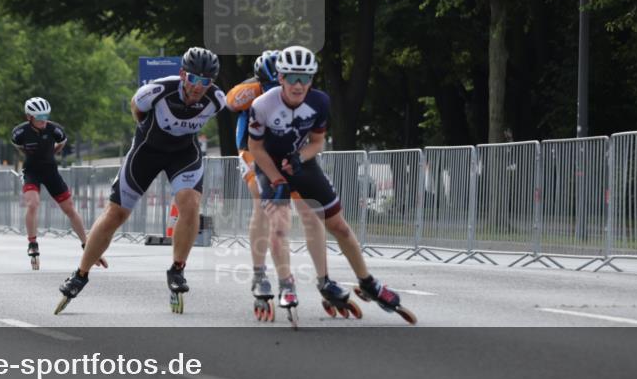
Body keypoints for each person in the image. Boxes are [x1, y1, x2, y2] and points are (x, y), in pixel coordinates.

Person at [247, 45, 417, 327]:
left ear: (312, 80)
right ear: (280, 78)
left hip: (301, 163)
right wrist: (276, 177)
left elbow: (317, 142)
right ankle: (286, 283)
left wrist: (299, 158)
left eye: (305, 78)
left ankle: (368, 281)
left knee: (338, 225)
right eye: (291, 77)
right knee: (278, 225)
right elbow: (255, 147)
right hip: (270, 165)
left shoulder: (320, 102)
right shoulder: (262, 105)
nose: (298, 85)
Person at [55, 47, 226, 315]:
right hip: (147, 152)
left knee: (190, 204)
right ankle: (80, 274)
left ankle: (177, 270)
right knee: (116, 214)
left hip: (183, 154)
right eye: (193, 79)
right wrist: (147, 132)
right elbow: (137, 109)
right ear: (183, 75)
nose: (197, 87)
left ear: (211, 83)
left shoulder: (217, 100)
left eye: (205, 82)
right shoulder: (158, 90)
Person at [226, 50, 328, 322]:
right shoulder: (254, 91)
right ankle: (259, 273)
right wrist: (249, 92)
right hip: (252, 151)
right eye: (271, 85)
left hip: (285, 152)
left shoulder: (298, 92)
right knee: (262, 203)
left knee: (307, 209)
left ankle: (324, 279)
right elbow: (230, 101)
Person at [10, 97, 106, 270]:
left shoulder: (55, 130)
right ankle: (32, 243)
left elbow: (61, 143)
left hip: (50, 171)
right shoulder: (19, 133)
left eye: (46, 116)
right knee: (33, 204)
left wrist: (50, 153)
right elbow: (20, 147)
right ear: (29, 117)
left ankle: (86, 244)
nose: (43, 121)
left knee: (69, 208)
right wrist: (33, 156)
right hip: (31, 171)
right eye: (39, 118)